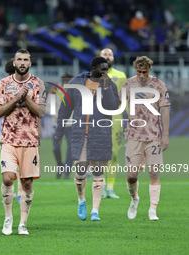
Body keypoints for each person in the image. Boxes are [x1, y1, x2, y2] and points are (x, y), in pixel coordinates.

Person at [55, 56, 119, 221]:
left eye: (107, 69)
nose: (106, 72)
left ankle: (95, 211)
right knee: (81, 171)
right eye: (102, 69)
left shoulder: (109, 84)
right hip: (80, 133)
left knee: (98, 173)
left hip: (100, 135)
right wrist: (59, 131)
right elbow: (65, 107)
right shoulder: (77, 82)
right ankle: (81, 200)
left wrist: (105, 88)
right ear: (93, 68)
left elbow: (113, 106)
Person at [0, 49, 46, 235]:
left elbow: (41, 112)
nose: (22, 62)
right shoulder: (4, 83)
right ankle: (8, 217)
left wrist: (27, 98)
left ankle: (23, 223)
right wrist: (16, 99)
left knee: (27, 183)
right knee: (7, 178)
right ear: (14, 63)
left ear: (30, 63)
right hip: (8, 139)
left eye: (26, 59)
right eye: (19, 60)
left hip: (30, 140)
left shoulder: (38, 84)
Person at [120, 56, 170, 221]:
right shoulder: (128, 84)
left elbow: (165, 111)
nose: (141, 74)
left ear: (149, 69)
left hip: (154, 136)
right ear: (135, 69)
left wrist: (166, 135)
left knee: (154, 173)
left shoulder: (159, 85)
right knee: (131, 175)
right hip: (134, 136)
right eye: (138, 71)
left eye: (144, 71)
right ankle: (134, 199)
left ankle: (152, 210)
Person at [0, 58, 23, 204]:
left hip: (15, 134)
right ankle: (19, 193)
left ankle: (17, 192)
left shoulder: (28, 84)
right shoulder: (4, 84)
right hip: (10, 134)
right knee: (18, 168)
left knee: (17, 168)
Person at [100, 48, 127, 198]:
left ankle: (110, 188)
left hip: (116, 120)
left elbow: (124, 99)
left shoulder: (120, 76)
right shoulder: (92, 76)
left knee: (114, 155)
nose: (107, 57)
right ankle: (101, 186)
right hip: (97, 121)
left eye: (110, 54)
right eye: (105, 54)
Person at [52, 73, 73, 179]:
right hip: (57, 123)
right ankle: (60, 165)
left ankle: (67, 172)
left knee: (71, 148)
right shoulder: (54, 90)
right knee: (56, 148)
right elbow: (50, 107)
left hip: (71, 123)